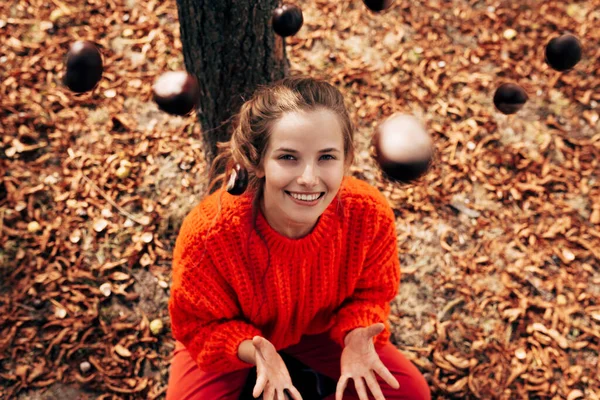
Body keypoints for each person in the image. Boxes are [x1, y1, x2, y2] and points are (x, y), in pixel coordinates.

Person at [166, 76, 431, 400]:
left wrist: (357, 334)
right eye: (288, 157)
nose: (308, 178)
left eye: (326, 157)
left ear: (346, 160)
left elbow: (371, 293)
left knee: (409, 393)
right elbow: (198, 325)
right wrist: (254, 351)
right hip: (236, 339)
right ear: (259, 161)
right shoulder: (209, 234)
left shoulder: (368, 214)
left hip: (324, 331)